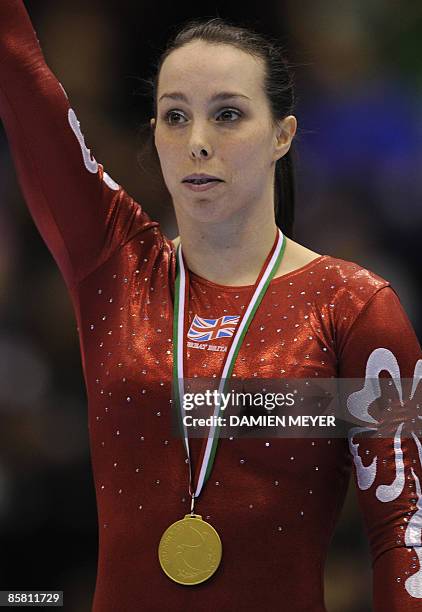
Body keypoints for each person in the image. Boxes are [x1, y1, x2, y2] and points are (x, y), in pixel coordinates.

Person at [1, 2, 421, 610]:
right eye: (175, 117)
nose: (197, 142)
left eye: (227, 115)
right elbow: (22, 78)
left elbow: (406, 529)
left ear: (283, 134)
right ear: (154, 135)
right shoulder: (116, 272)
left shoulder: (354, 309)